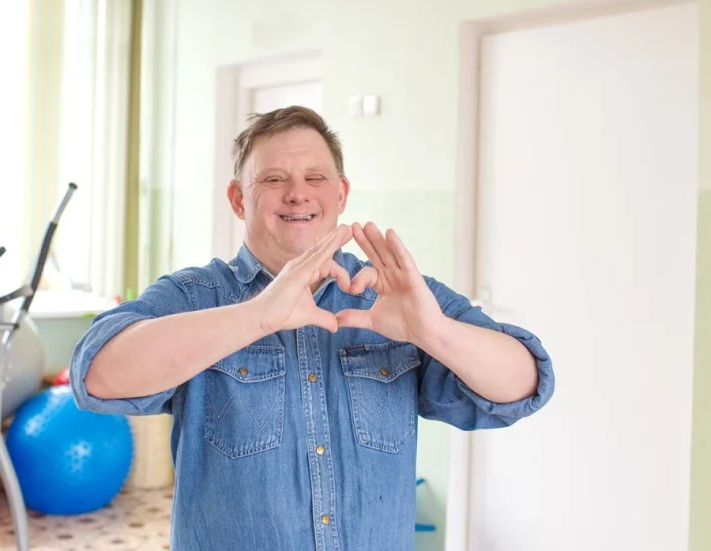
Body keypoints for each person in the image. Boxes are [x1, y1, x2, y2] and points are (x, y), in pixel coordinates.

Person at [68, 105, 555, 551]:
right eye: (274, 178)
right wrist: (255, 316)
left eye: (315, 177)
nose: (297, 193)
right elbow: (96, 375)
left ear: (340, 194)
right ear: (239, 199)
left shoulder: (398, 293)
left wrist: (434, 332)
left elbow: (526, 382)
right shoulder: (197, 296)